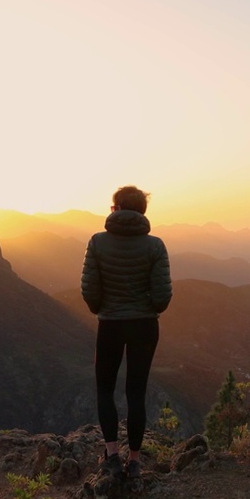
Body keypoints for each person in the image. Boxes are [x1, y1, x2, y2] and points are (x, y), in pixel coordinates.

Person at [80, 185, 172, 483]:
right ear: (142, 212)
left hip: (110, 325)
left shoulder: (97, 242)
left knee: (105, 389)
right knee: (136, 391)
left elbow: (89, 289)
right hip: (145, 326)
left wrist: (103, 309)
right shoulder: (155, 246)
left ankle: (112, 455)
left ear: (115, 208)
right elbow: (161, 297)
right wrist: (144, 306)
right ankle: (134, 461)